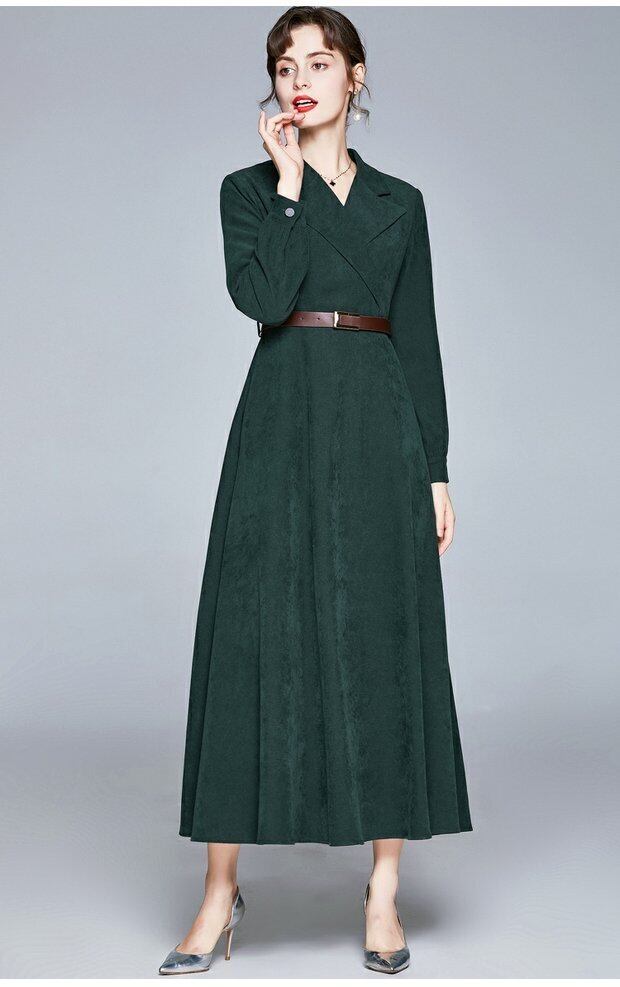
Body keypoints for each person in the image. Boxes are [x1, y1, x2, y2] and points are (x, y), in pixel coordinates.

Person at [159, 7, 473, 977]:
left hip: (378, 425)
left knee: (382, 635)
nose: (299, 80)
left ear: (355, 76)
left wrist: (435, 466)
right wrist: (291, 188)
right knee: (249, 636)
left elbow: (418, 337)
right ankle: (220, 892)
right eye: (284, 66)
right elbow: (261, 300)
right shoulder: (247, 190)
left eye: (319, 62)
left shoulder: (399, 203)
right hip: (281, 420)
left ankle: (382, 889)